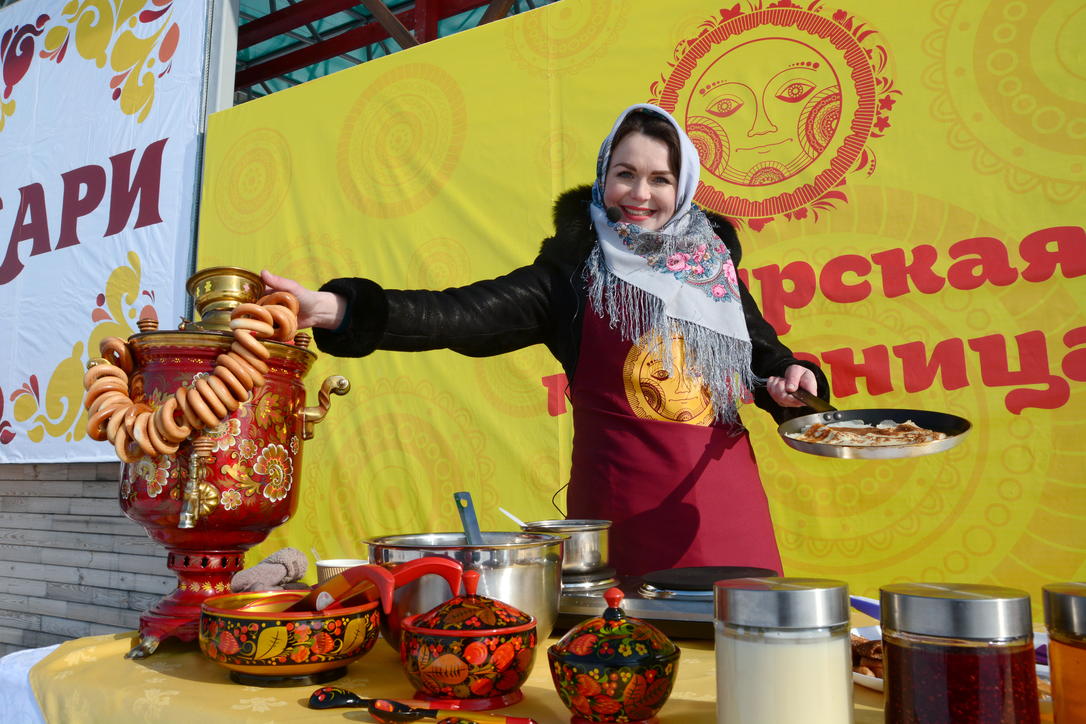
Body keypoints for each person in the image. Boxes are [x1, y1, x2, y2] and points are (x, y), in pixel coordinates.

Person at [263, 103, 828, 577]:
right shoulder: (571, 274)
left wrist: (793, 383)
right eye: (625, 174)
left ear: (683, 188)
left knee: (745, 650)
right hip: (622, 508)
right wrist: (337, 309)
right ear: (604, 176)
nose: (640, 193)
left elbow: (767, 361)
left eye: (660, 178)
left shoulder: (713, 268)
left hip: (727, 502)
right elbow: (457, 314)